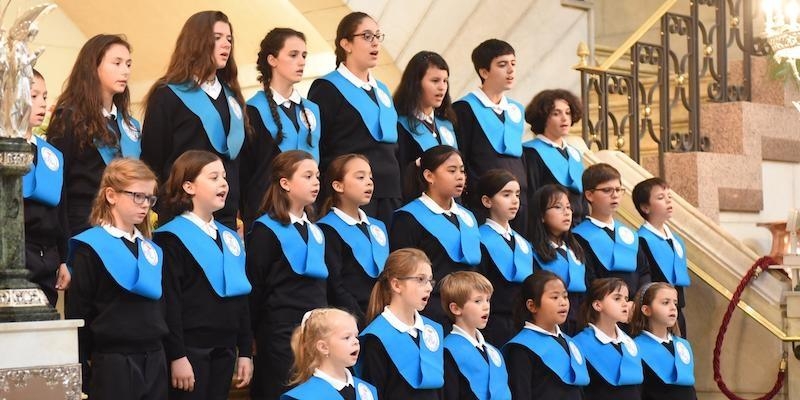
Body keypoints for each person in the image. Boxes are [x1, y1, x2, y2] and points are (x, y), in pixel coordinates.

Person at [65, 158, 167, 400]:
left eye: (150, 198)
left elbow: (163, 307)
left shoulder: (150, 250)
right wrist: (81, 366)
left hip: (154, 357)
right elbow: (79, 311)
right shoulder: (91, 247)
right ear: (111, 195)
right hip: (114, 362)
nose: (145, 205)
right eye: (137, 196)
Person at [154, 150, 253, 398]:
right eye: (213, 177)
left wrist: (245, 351)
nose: (223, 183)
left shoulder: (229, 237)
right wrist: (177, 355)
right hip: (191, 349)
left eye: (224, 177)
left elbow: (240, 296)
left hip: (226, 347)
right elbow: (171, 302)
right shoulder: (171, 239)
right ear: (188, 186)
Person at [142, 10, 247, 229]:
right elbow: (152, 159)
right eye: (217, 38)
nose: (226, 45)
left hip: (225, 213)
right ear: (197, 41)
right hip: (183, 213)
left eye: (229, 39)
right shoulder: (168, 95)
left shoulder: (232, 97)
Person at [247, 150, 328, 399]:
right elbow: (255, 287)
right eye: (307, 176)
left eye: (317, 176)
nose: (316, 182)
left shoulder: (315, 231)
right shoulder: (265, 230)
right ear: (285, 183)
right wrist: (250, 336)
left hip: (313, 331)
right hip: (279, 332)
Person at [308, 11, 400, 227]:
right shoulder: (327, 88)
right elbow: (319, 145)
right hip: (349, 196)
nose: (375, 43)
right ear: (346, 44)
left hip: (390, 193)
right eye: (367, 36)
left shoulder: (383, 90)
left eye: (378, 36)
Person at [48, 34, 140, 236]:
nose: (125, 71)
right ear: (93, 67)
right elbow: (57, 185)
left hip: (125, 228)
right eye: (116, 63)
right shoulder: (70, 117)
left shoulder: (130, 126)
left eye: (128, 64)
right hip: (84, 226)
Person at [391, 145, 481, 326]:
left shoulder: (467, 217)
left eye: (462, 171)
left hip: (467, 311)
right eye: (452, 170)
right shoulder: (408, 217)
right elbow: (403, 272)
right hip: (431, 311)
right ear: (429, 176)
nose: (460, 177)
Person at [241, 27, 320, 229]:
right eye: (293, 55)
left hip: (306, 212)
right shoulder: (253, 110)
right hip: (265, 210)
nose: (301, 61)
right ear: (272, 60)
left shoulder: (313, 110)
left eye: (304, 55)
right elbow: (246, 169)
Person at [453, 39, 528, 237]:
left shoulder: (515, 110)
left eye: (513, 63)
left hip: (517, 203)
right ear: (484, 72)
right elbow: (463, 157)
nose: (510, 70)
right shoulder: (465, 108)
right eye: (502, 65)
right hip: (483, 203)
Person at [357, 248, 443, 399]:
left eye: (430, 280)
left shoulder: (432, 330)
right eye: (421, 279)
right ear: (396, 285)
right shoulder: (377, 337)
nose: (429, 287)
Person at [317, 154, 388, 325]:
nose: (369, 182)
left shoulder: (378, 226)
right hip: (352, 320)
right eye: (360, 177)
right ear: (338, 185)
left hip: (383, 316)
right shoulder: (327, 229)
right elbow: (335, 286)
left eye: (370, 177)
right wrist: (362, 320)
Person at [23, 68, 70, 306]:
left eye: (44, 96)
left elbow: (60, 213)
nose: (42, 103)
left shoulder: (51, 155)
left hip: (47, 259)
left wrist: (63, 259)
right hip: (15, 258)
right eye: (33, 96)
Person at [504, 271, 588, 399]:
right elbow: (521, 393)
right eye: (555, 297)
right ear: (532, 306)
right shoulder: (521, 348)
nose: (563, 302)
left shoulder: (571, 343)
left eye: (565, 296)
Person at [573, 163, 650, 299]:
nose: (615, 195)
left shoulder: (629, 235)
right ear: (589, 195)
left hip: (634, 310)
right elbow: (589, 279)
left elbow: (644, 272)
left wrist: (636, 303)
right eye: (607, 190)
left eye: (618, 189)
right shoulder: (579, 237)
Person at [474, 169, 532, 346]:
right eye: (506, 194)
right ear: (487, 201)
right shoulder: (480, 239)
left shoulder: (523, 243)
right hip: (494, 322)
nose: (515, 201)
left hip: (522, 322)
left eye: (517, 194)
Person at [632, 177, 690, 336]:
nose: (668, 201)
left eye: (669, 197)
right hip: (655, 315)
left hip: (676, 311)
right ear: (645, 207)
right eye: (660, 198)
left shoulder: (676, 240)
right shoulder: (641, 240)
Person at [440, 271, 511, 400]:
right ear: (455, 308)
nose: (486, 307)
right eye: (478, 301)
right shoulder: (448, 351)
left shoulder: (492, 351)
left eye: (488, 300)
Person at [280, 308, 379, 400]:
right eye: (347, 337)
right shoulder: (304, 396)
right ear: (323, 347)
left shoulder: (366, 391)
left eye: (356, 336)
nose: (356, 342)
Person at [394, 50, 458, 191]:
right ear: (416, 83)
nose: (442, 87)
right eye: (435, 81)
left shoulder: (447, 125)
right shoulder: (398, 125)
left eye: (445, 81)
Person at [529, 184, 587, 335]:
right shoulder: (532, 252)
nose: (566, 212)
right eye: (558, 207)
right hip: (549, 323)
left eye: (568, 207)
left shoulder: (576, 250)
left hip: (579, 320)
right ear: (542, 215)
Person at [522, 89, 586, 226]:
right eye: (556, 113)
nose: (565, 118)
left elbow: (583, 199)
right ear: (543, 117)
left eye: (568, 113)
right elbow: (532, 196)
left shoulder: (574, 154)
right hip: (548, 229)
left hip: (578, 228)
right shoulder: (531, 152)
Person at [572, 278, 643, 400]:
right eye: (617, 298)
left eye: (626, 299)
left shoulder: (629, 343)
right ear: (598, 305)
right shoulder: (579, 344)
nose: (625, 303)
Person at [630, 282, 697, 400]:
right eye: (665, 302)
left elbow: (690, 390)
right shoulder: (634, 347)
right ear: (646, 310)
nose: (673, 308)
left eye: (675, 303)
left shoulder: (683, 345)